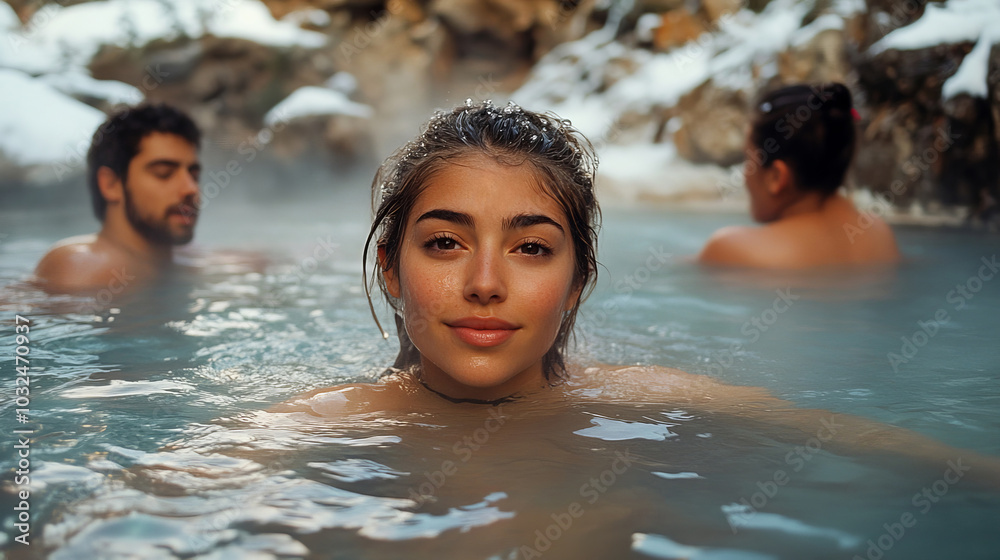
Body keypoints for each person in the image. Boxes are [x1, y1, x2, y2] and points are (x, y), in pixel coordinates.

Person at [275, 101, 999, 489]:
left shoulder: (649, 401)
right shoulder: (315, 427)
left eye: (531, 247)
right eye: (445, 242)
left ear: (577, 282)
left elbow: (884, 450)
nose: (486, 283)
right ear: (390, 271)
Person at [699, 83, 900, 268]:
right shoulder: (881, 234)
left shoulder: (731, 250)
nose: (744, 175)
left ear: (776, 177)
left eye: (747, 160)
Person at [33, 103, 202, 293]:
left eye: (194, 176)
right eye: (164, 173)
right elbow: (19, 317)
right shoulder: (82, 267)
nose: (191, 189)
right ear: (111, 184)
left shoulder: (184, 261)